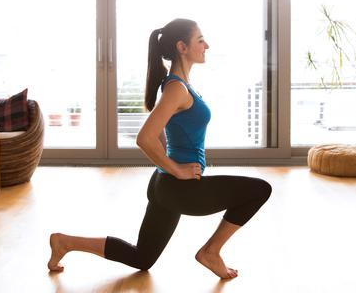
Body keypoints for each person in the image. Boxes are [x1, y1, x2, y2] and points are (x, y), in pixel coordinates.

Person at [48, 18, 272, 279]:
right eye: (200, 40)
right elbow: (145, 138)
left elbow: (164, 134)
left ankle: (65, 242)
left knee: (141, 258)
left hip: (163, 186)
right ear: (182, 47)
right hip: (179, 189)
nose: (206, 45)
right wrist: (177, 169)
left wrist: (171, 167)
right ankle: (211, 251)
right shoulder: (176, 88)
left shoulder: (178, 86)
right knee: (259, 190)